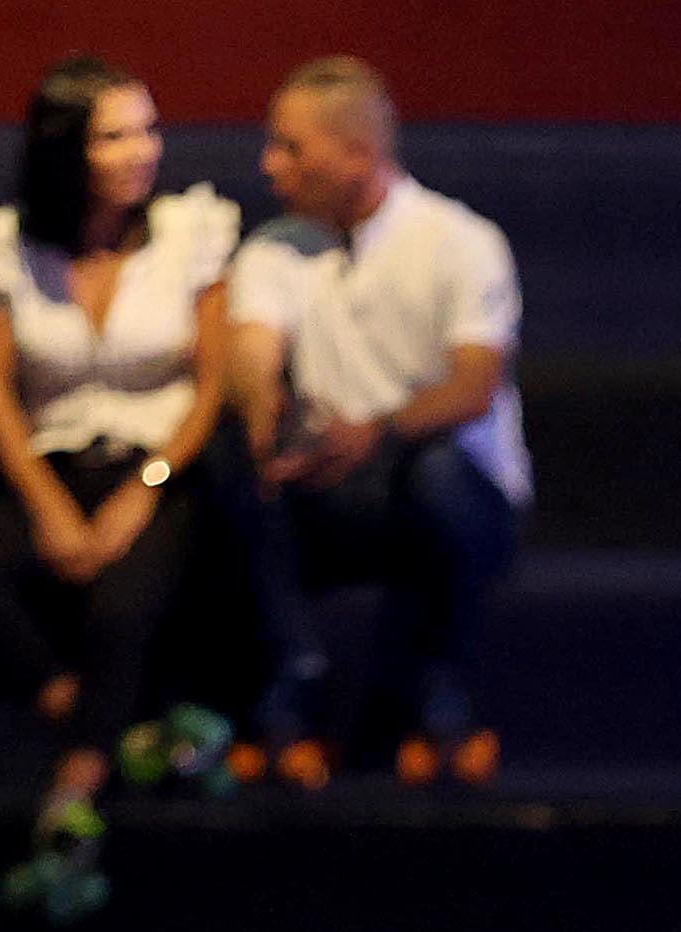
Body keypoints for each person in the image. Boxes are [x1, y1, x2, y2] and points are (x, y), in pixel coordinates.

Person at [0, 56, 240, 901]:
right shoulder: (7, 246)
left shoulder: (190, 233)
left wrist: (150, 485)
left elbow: (213, 384)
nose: (143, 151)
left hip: (162, 468)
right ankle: (133, 732)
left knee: (120, 607)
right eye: (115, 136)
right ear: (66, 151)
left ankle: (71, 801)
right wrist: (48, 506)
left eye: (147, 129)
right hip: (60, 462)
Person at [219, 58, 529, 788]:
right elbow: (252, 349)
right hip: (335, 490)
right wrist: (264, 413)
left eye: (290, 147)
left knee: (438, 474)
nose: (270, 165)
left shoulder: (460, 241)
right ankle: (292, 677)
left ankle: (438, 693)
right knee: (231, 468)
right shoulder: (274, 248)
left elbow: (474, 383)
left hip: (446, 493)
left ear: (358, 152)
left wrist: (373, 431)